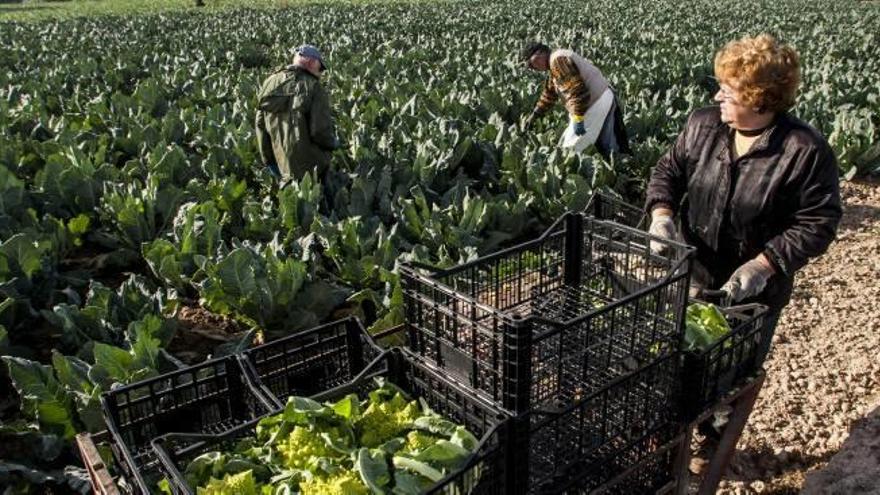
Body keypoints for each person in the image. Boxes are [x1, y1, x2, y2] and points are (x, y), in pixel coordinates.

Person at [645, 33, 842, 375]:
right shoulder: (702, 125)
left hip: (752, 298)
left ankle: (720, 427)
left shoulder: (804, 151)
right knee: (679, 368)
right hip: (692, 275)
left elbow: (818, 222)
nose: (716, 96)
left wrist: (763, 266)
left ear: (759, 100)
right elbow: (669, 171)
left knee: (731, 375)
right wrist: (661, 215)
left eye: (728, 90)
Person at [520, 42, 630, 159]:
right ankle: (618, 165)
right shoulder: (554, 64)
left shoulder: (558, 61)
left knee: (572, 150)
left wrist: (578, 118)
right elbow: (549, 94)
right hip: (599, 98)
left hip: (595, 103)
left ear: (540, 54)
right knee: (602, 141)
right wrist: (535, 114)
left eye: (531, 63)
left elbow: (578, 92)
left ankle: (616, 168)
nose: (532, 68)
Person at [255, 44, 340, 181]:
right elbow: (320, 132)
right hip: (311, 168)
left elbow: (260, 124)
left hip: (280, 161)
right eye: (320, 68)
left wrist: (268, 160)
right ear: (311, 62)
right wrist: (334, 144)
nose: (320, 72)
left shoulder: (270, 82)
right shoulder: (314, 87)